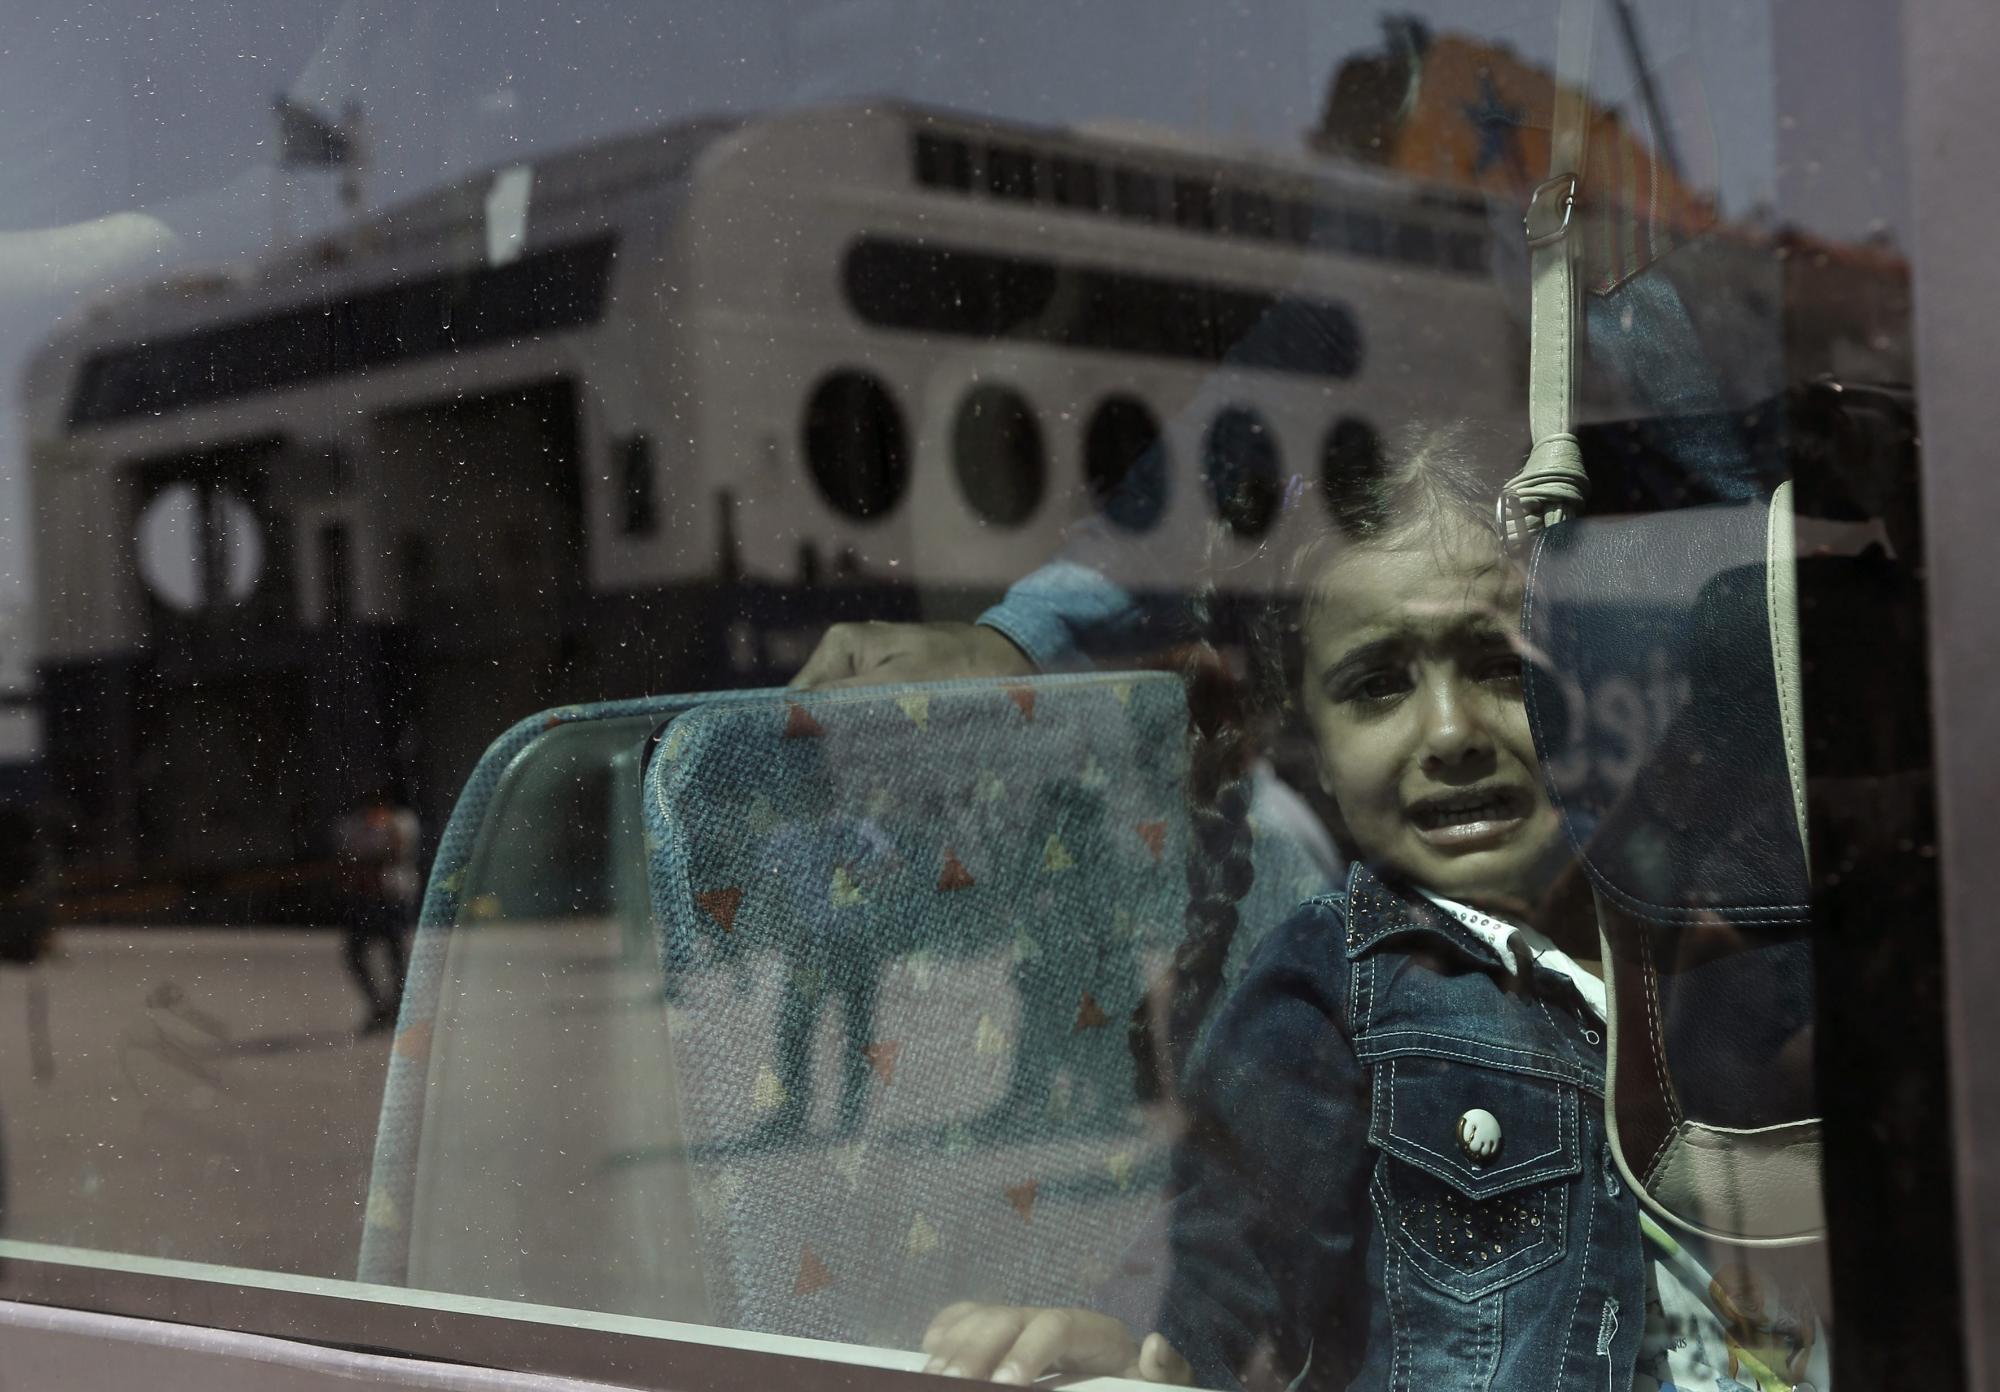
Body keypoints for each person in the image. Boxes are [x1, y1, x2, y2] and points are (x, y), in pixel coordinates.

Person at [913, 425, 1826, 1391]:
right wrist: (1135, 1347)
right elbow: (1228, 1253)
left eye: (1501, 665)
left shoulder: (1715, 927)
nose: (1450, 733)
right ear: (1308, 736)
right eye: (1378, 686)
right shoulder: (1340, 985)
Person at [334, 783, 421, 1034]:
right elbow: (347, 857)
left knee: (396, 956)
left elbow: (398, 851)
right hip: (365, 897)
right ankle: (379, 1005)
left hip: (392, 895)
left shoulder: (400, 822)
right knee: (356, 953)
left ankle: (396, 1008)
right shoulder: (354, 825)